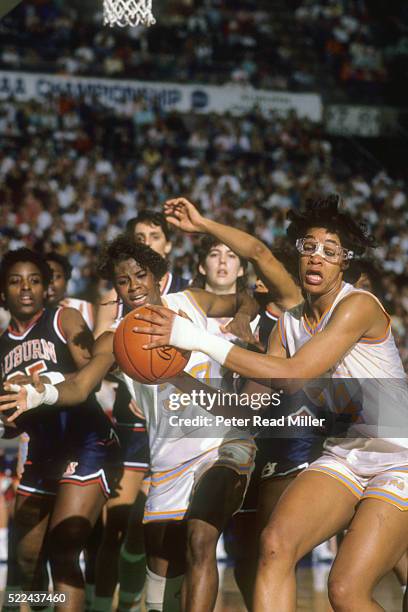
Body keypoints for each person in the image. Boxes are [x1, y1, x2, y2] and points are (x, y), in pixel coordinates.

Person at [131, 194, 408, 612]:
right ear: (298, 254)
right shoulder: (289, 324)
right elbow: (245, 408)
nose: (317, 258)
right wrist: (175, 375)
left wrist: (193, 339)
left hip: (398, 455)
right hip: (346, 456)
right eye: (309, 247)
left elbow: (298, 372)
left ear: (344, 262)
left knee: (346, 590)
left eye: (330, 252)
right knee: (274, 544)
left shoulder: (358, 306)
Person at [0, 234, 258, 612]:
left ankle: (91, 604)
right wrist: (40, 395)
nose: (135, 286)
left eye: (141, 276)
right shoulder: (114, 338)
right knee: (130, 560)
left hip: (218, 444)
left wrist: (243, 317)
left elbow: (245, 297)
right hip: (166, 460)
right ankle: (89, 605)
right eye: (124, 280)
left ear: (156, 277)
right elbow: (81, 383)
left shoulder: (190, 301)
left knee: (199, 539)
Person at [0, 248, 118, 611]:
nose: (25, 289)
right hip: (42, 453)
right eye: (16, 281)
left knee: (64, 551)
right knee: (25, 561)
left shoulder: (63, 319)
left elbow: (92, 378)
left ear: (46, 288)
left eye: (34, 281)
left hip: (88, 443)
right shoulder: (2, 343)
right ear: (2, 290)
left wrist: (47, 384)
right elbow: (8, 427)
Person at [46, 251, 95, 330]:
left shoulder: (85, 309)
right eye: (44, 276)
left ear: (66, 280)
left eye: (56, 276)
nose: (50, 281)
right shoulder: (28, 315)